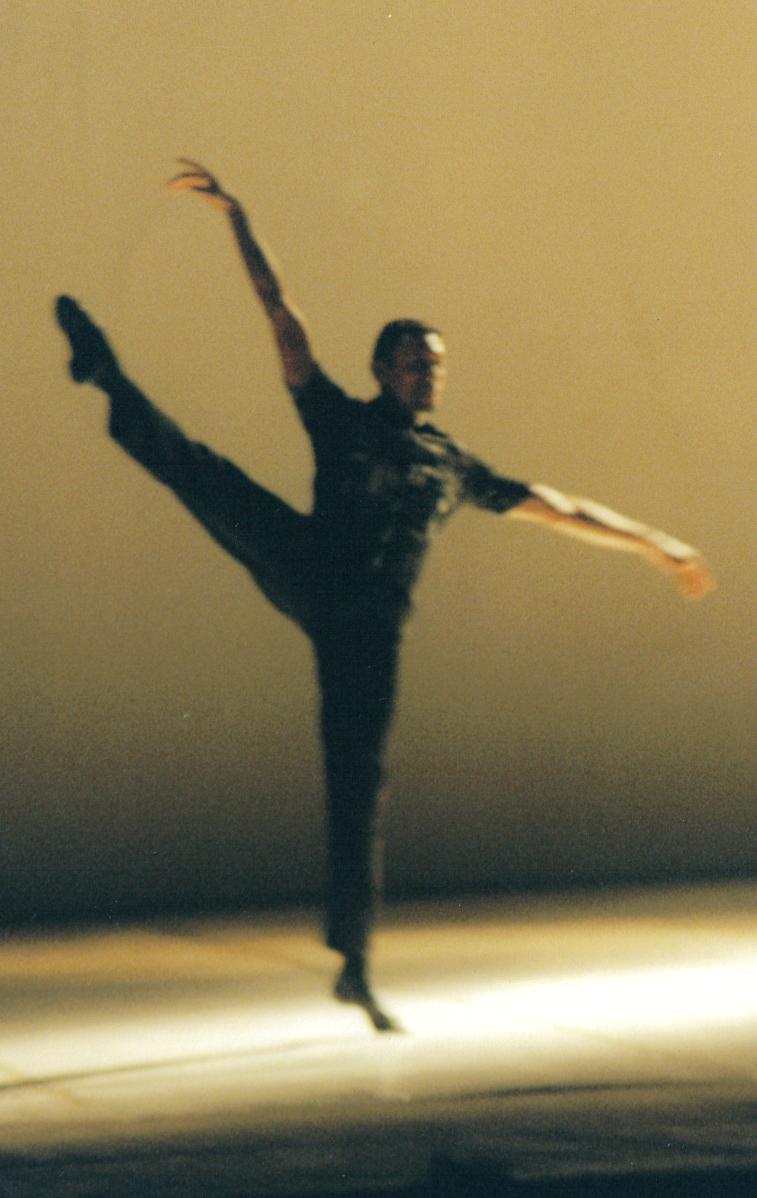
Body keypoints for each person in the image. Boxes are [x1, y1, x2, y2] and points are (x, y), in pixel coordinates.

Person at [55, 159, 715, 1032]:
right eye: (411, 364)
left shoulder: (454, 465)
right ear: (380, 369)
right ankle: (106, 374)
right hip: (309, 563)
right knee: (207, 476)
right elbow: (281, 316)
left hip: (369, 627)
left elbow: (558, 508)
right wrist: (236, 218)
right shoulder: (340, 417)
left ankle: (354, 966)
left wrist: (654, 545)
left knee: (359, 779)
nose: (426, 376)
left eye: (434, 365)